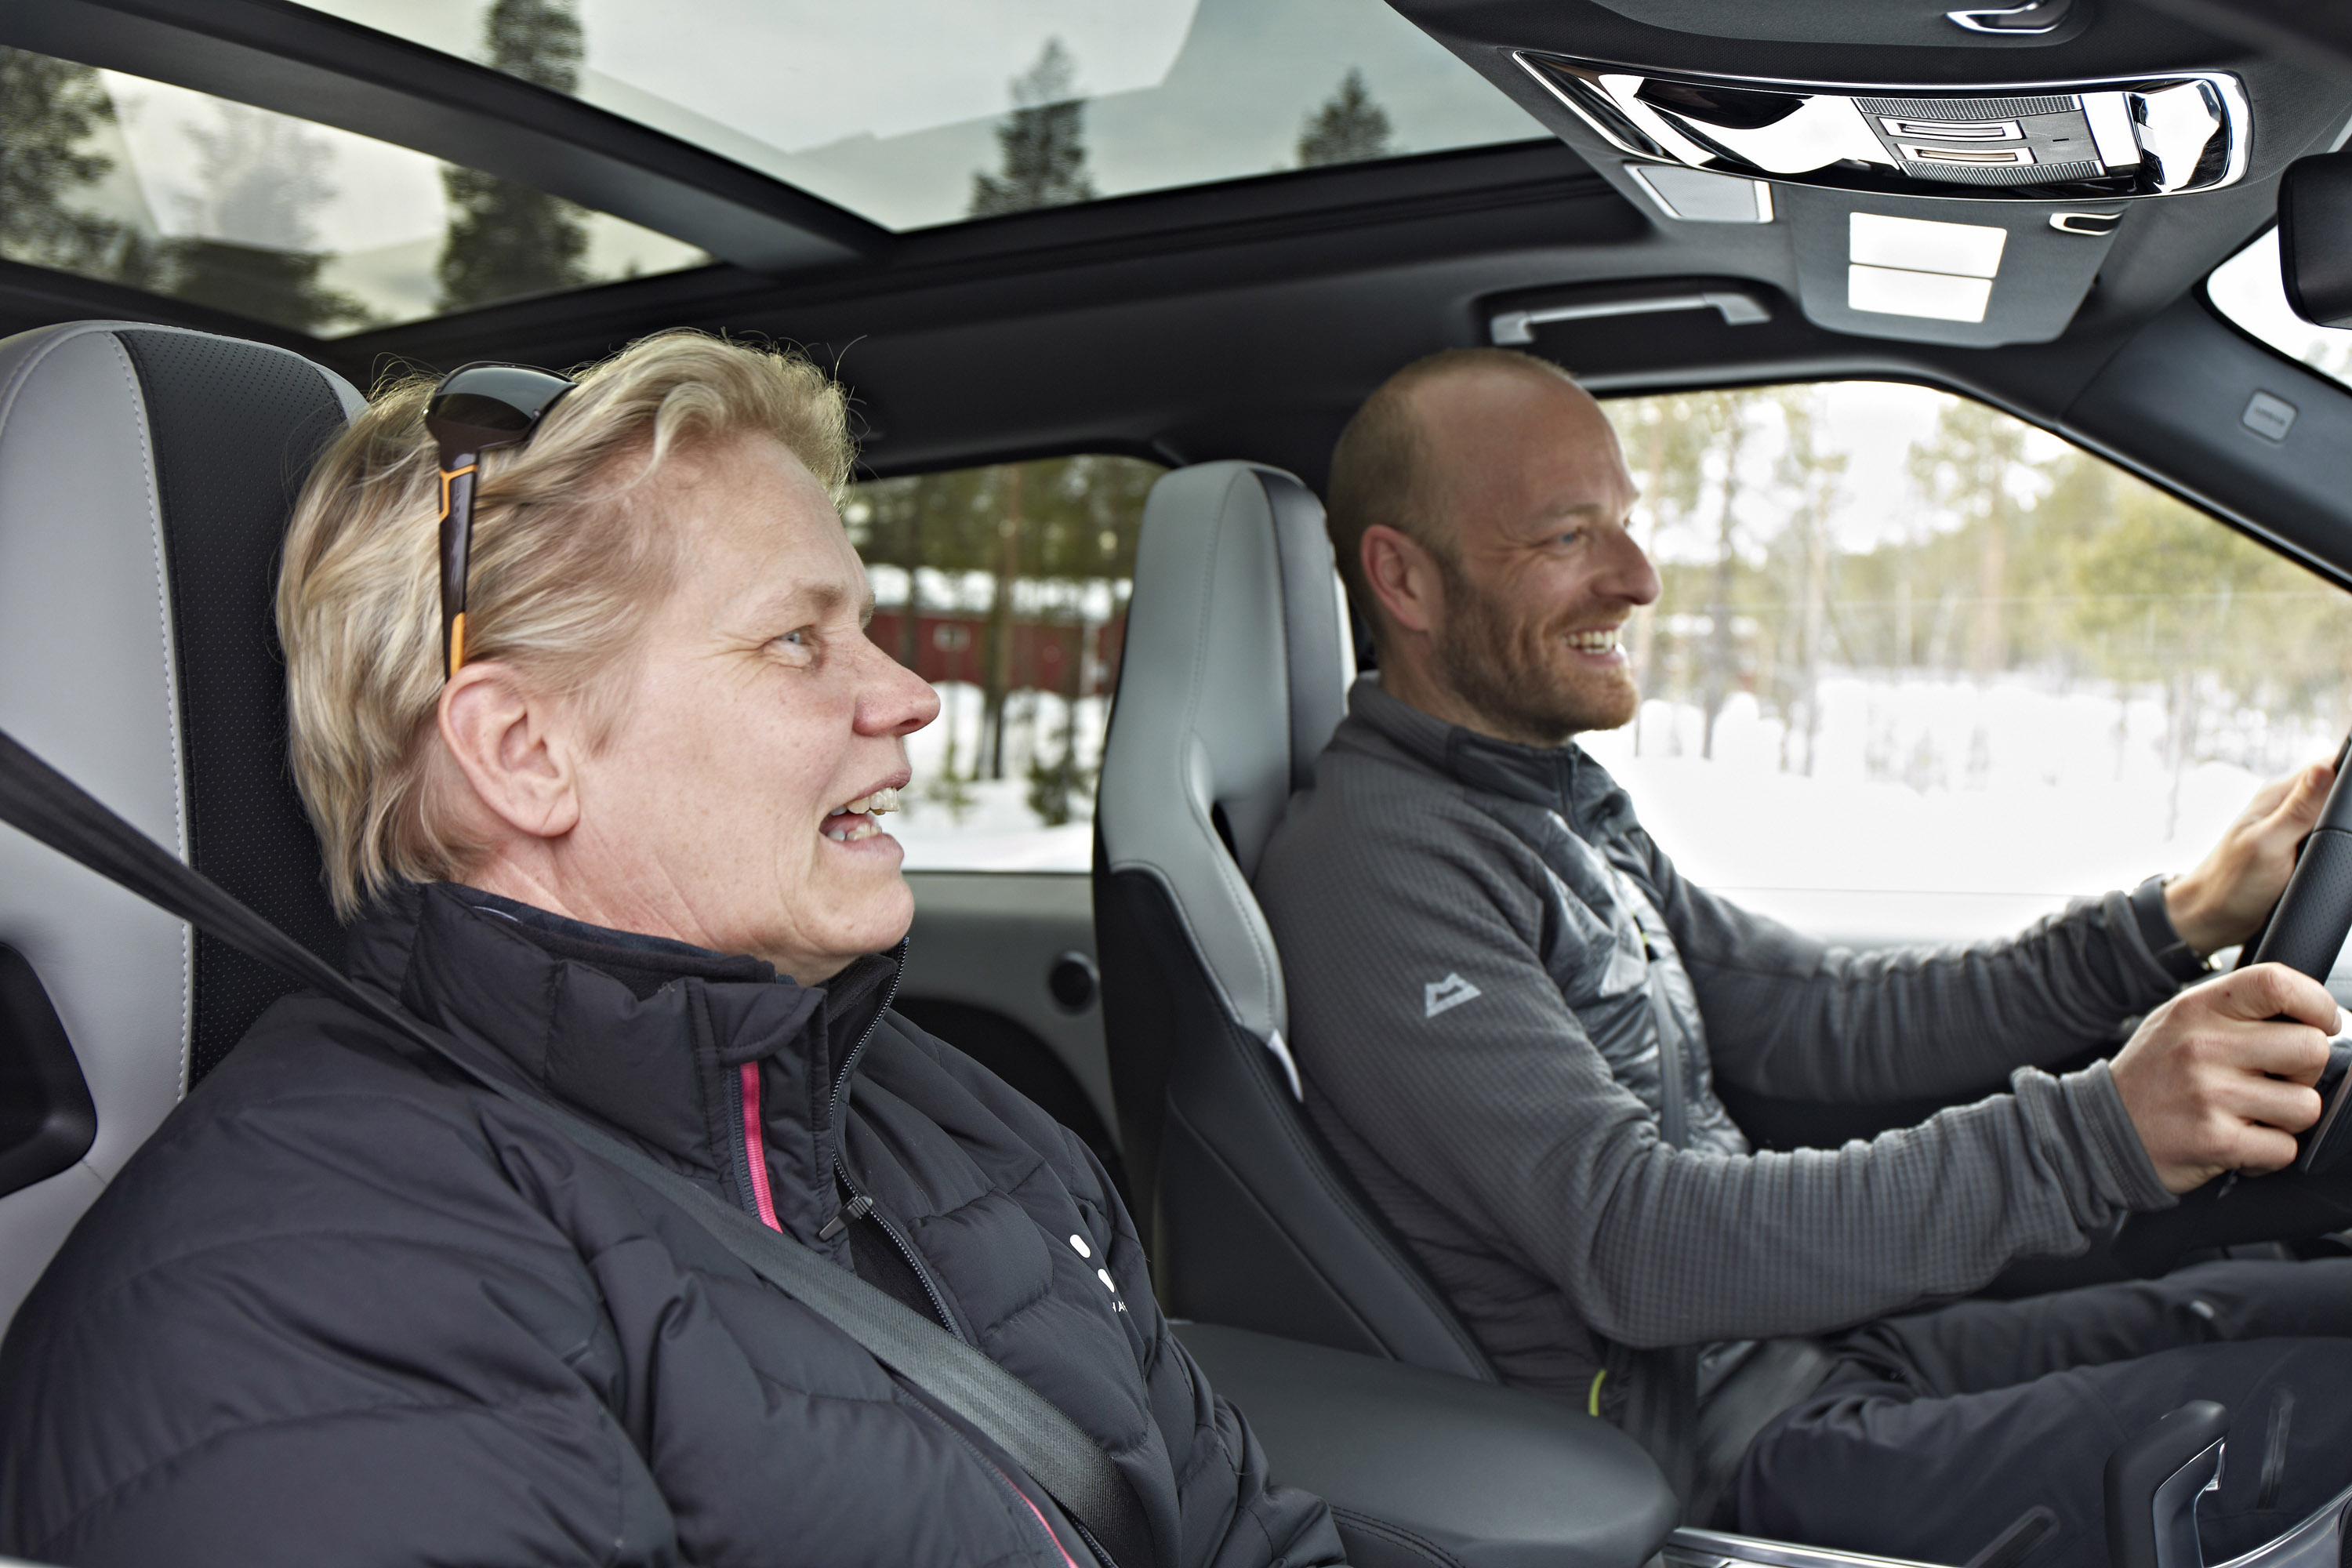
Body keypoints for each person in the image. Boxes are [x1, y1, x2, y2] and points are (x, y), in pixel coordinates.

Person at [0, 331, 1344, 1568]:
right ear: (524, 755)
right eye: (797, 639)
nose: (909, 695)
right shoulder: (304, 1295)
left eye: (862, 627)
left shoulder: (963, 1122)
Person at [1253, 347, 2352, 1566]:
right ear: (1404, 579)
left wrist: (2178, 918)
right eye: (1570, 538)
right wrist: (2098, 1136)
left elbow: (1821, 1016)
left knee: (2315, 1313)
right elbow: (1637, 1240)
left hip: (1810, 1356)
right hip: (1719, 1471)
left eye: (1628, 526)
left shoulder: (1541, 805)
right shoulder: (1381, 868)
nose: (1641, 579)